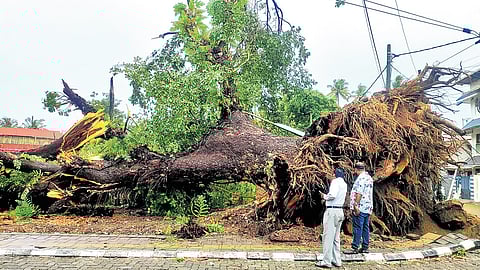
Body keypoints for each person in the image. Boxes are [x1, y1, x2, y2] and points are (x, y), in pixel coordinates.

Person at [315, 168, 347, 268]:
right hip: (340, 211)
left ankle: (326, 261)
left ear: (334, 174)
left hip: (332, 211)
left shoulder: (335, 182)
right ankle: (337, 260)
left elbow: (332, 195)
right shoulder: (344, 184)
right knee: (336, 238)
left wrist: (324, 196)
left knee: (328, 237)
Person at [345, 162, 374, 254]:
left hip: (360, 207)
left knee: (357, 227)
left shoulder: (361, 178)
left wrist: (356, 205)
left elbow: (359, 193)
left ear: (356, 169)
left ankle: (355, 247)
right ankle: (365, 247)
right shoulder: (369, 178)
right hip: (368, 207)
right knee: (365, 227)